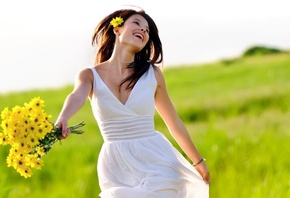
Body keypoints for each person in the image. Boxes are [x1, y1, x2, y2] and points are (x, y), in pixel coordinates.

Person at [56, 7, 210, 198]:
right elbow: (76, 96)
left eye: (147, 30)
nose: (143, 31)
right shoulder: (89, 75)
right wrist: (63, 117)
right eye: (137, 24)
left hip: (156, 159)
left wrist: (198, 161)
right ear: (117, 29)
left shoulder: (152, 75)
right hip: (116, 165)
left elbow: (174, 123)